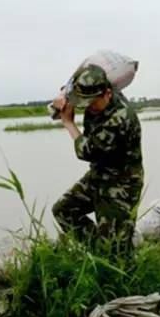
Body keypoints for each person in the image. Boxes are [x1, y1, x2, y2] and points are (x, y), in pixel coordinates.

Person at [51, 64, 143, 252]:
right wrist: (64, 94)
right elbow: (73, 87)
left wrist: (68, 122)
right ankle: (98, 251)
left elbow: (87, 151)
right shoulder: (96, 98)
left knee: (117, 249)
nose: (89, 108)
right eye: (85, 102)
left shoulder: (119, 120)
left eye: (93, 102)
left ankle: (111, 259)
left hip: (121, 184)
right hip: (99, 174)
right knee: (64, 210)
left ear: (107, 93)